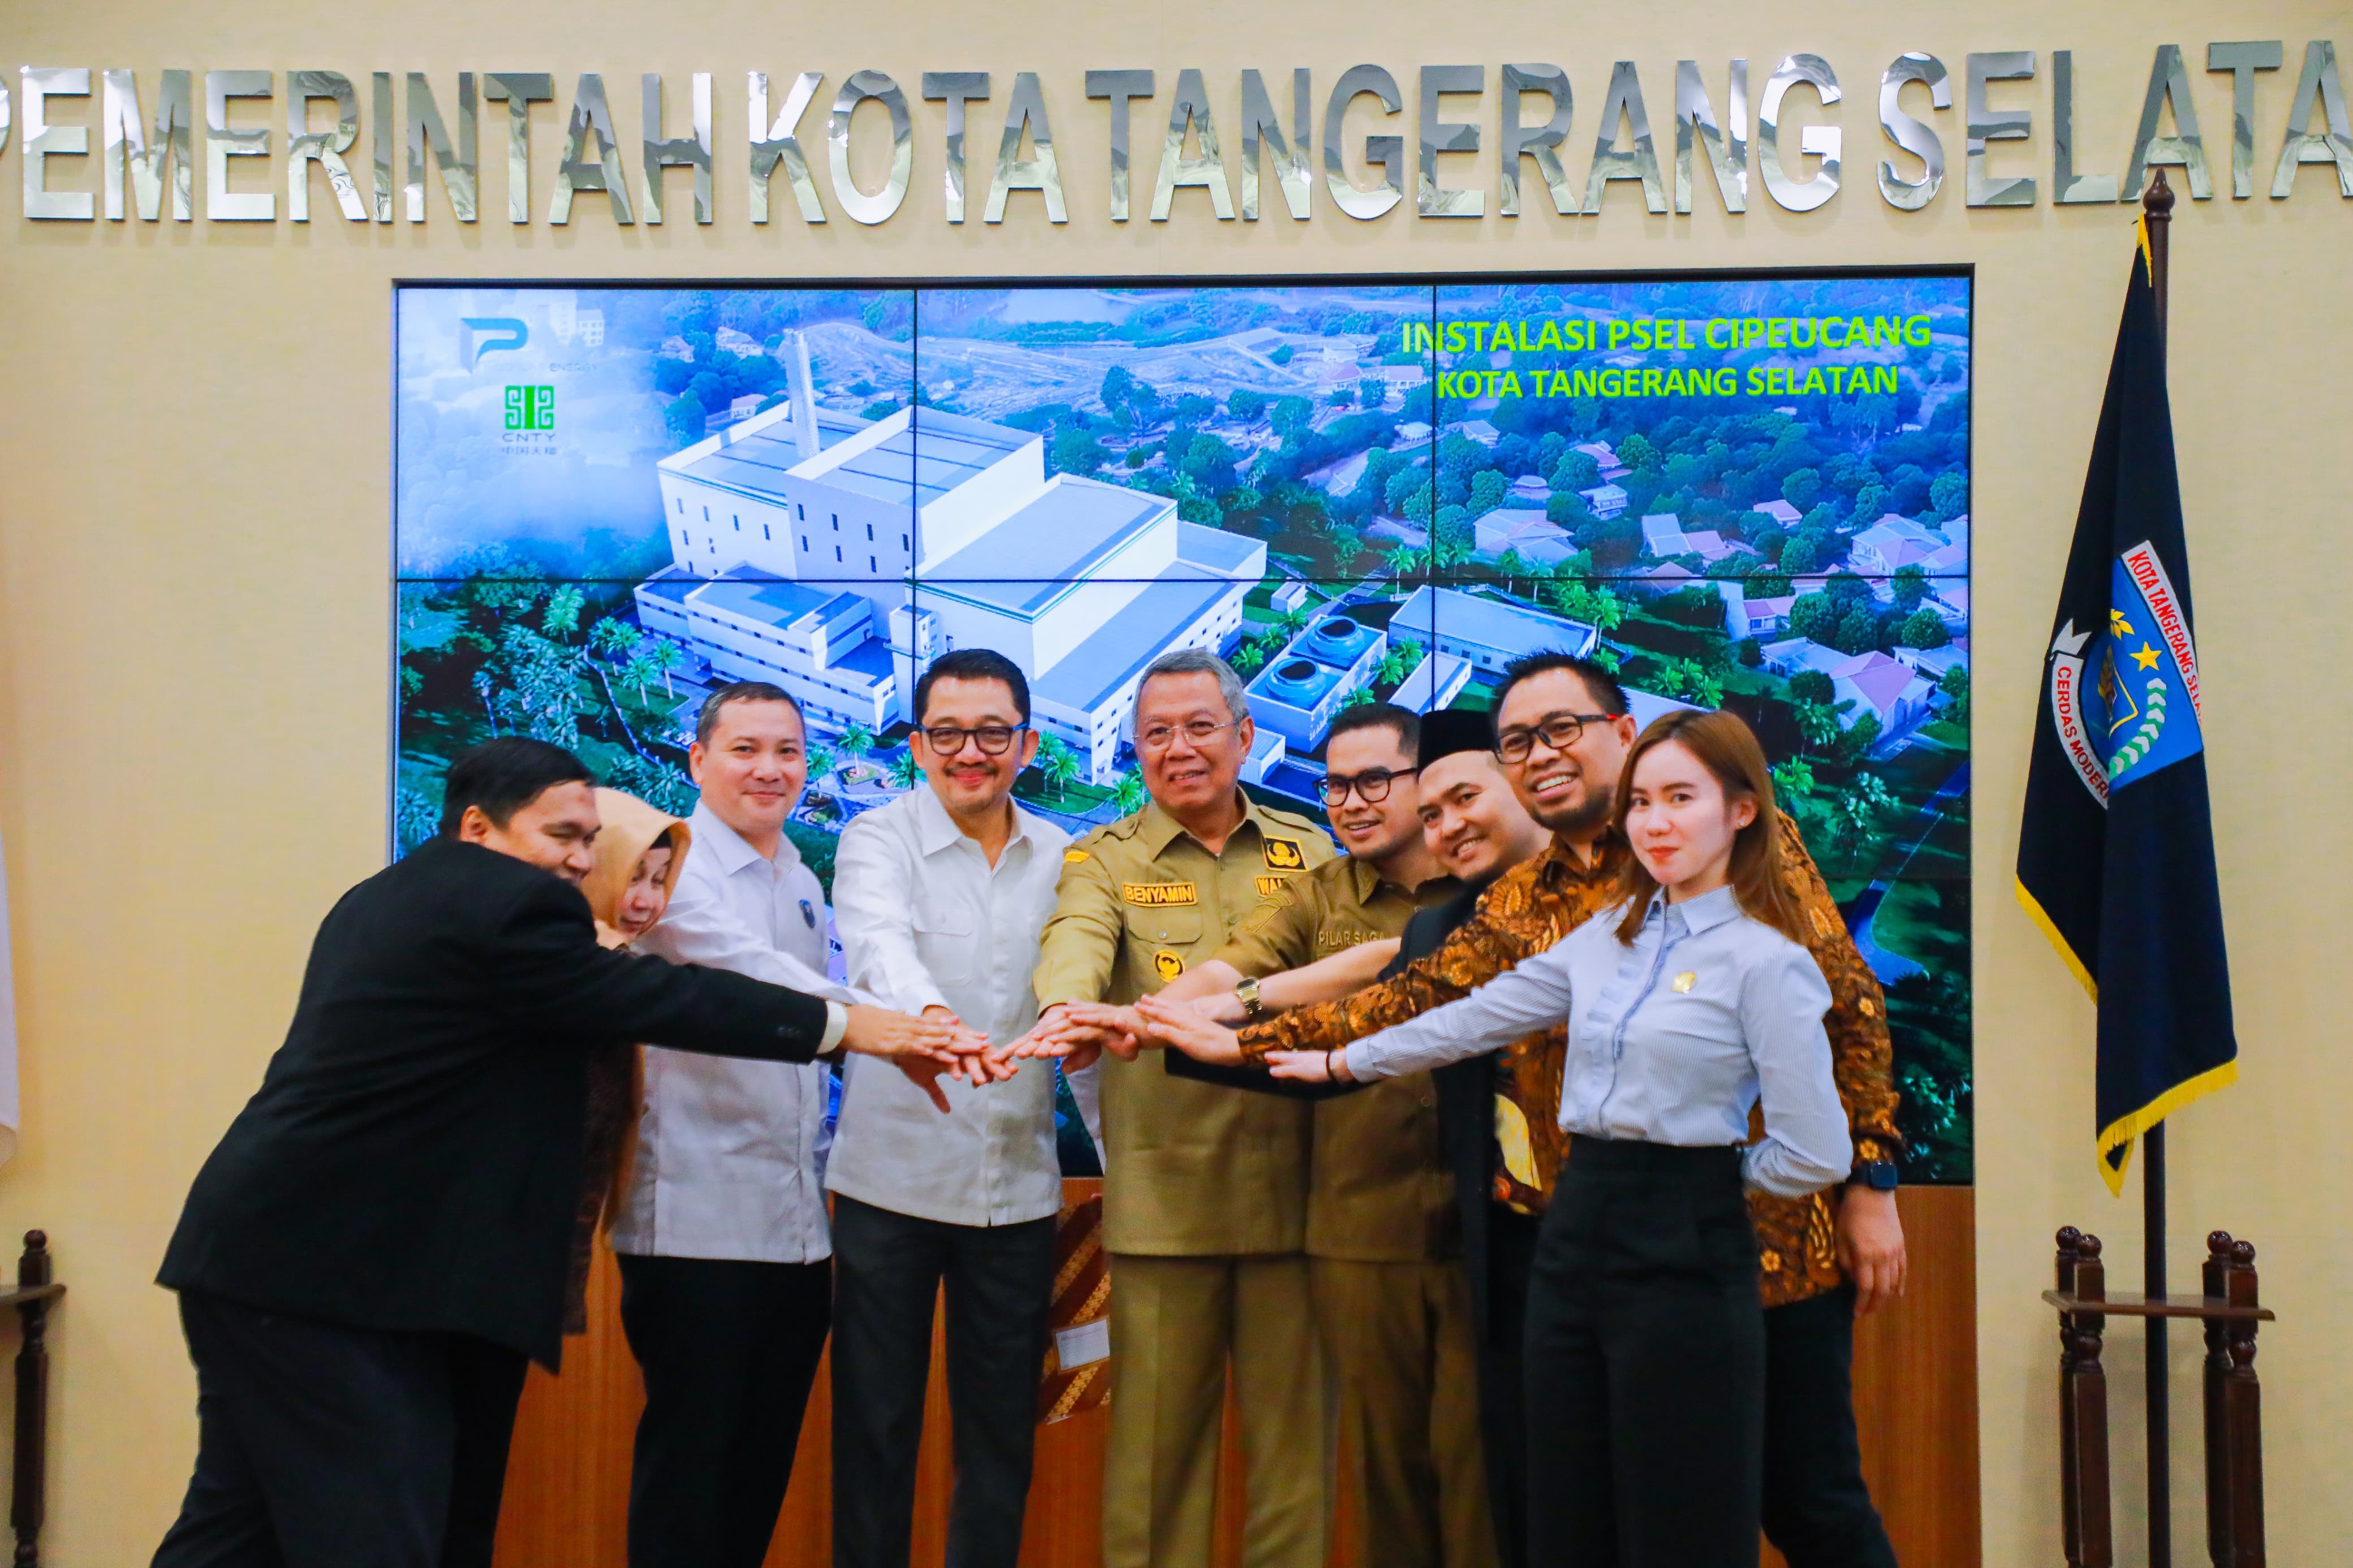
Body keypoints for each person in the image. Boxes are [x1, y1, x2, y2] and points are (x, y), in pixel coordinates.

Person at [1141, 653, 1909, 1568]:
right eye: (1518, 742)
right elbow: (1414, 1002)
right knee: (1595, 1517)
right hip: (1597, 1259)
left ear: (1622, 733)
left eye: (1561, 730)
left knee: (1808, 1503)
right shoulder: (1519, 899)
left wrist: (1872, 1178)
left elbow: (1847, 1000)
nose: (1541, 754)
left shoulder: (1720, 844)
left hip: (1765, 1248)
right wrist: (1226, 1040)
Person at [150, 738, 971, 1568]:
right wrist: (850, 1027)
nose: (581, 859)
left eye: (589, 838)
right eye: (561, 836)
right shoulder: (506, 902)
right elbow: (664, 996)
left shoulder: (387, 896)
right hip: (336, 1284)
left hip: (270, 1259)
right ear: (479, 826)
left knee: (234, 1533)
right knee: (382, 1538)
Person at [609, 681, 975, 1568]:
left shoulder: (804, 883)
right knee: (690, 1482)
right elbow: (751, 977)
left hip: (798, 1234)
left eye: (788, 751)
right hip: (693, 1224)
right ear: (698, 759)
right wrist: (889, 1029)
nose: (769, 769)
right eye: (745, 749)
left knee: (756, 1477)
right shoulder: (669, 870)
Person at [1143, 703, 1497, 1568]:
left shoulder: (1500, 886)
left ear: (1428, 782)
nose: (1351, 802)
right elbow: (1231, 968)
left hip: (1494, 1225)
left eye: (1374, 780)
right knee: (1387, 1478)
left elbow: (1388, 971)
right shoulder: (1320, 892)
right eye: (1336, 785)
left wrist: (1240, 1009)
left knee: (1486, 1476)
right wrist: (1144, 1015)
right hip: (1361, 1225)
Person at [1023, 649, 1335, 1568]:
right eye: (1156, 732)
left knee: (1295, 1462)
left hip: (1301, 1200)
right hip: (1166, 1203)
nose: (1179, 748)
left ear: (1245, 735)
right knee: (1156, 1463)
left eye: (1200, 726)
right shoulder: (1103, 858)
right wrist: (1068, 1010)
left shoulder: (1312, 852)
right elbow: (1075, 941)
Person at [824, 650, 1080, 1568]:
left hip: (1017, 1190)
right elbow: (877, 948)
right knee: (875, 1427)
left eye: (992, 732)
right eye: (948, 733)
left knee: (1001, 1434)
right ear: (918, 744)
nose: (970, 751)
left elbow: (1077, 1001)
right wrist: (931, 1020)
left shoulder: (1065, 856)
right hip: (887, 1186)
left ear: (1027, 743)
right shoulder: (877, 837)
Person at [566, 789, 692, 1333]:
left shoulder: (610, 957)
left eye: (660, 880)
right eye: (633, 875)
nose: (646, 900)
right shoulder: (579, 965)